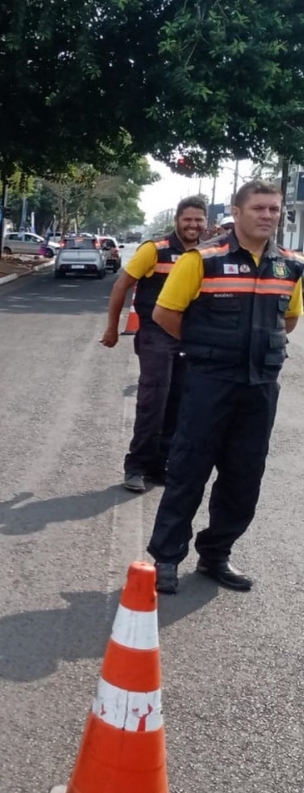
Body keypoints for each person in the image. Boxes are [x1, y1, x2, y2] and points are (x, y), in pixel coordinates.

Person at [146, 181, 303, 594]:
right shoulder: (203, 259)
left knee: (244, 477)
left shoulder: (290, 265)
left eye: (275, 210)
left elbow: (288, 321)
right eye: (259, 208)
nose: (268, 216)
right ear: (236, 211)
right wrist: (208, 348)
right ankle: (166, 557)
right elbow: (164, 313)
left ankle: (216, 553)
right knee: (188, 471)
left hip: (260, 388)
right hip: (209, 384)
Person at [100, 197, 208, 493]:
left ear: (206, 222)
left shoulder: (206, 254)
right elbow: (121, 285)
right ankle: (135, 465)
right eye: (188, 219)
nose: (193, 224)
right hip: (156, 335)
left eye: (199, 219)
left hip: (190, 337)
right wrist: (113, 328)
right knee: (153, 402)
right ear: (177, 220)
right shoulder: (154, 250)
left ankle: (160, 465)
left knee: (179, 404)